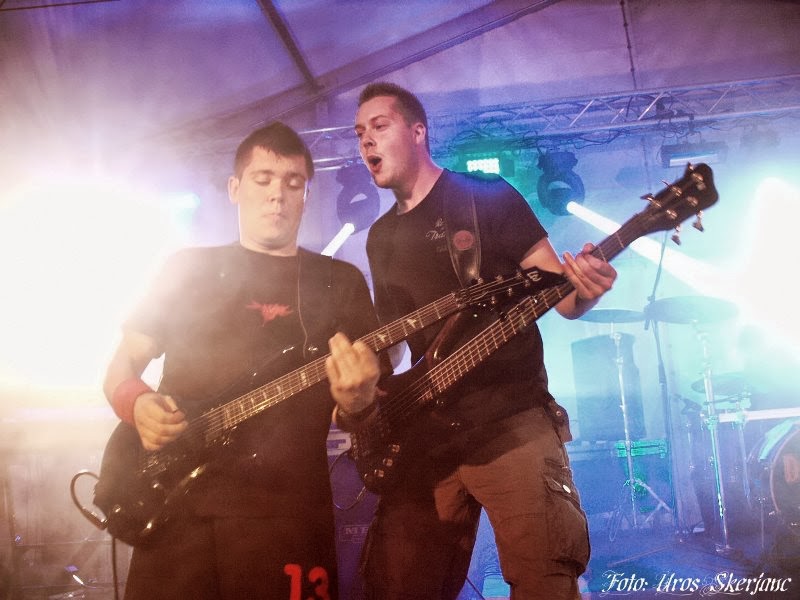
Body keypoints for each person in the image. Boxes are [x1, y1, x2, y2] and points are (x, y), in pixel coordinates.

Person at [336, 81, 619, 600]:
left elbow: (559, 295)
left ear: (418, 132)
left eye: (379, 126)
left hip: (511, 418)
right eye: (359, 133)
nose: (366, 141)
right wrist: (365, 384)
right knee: (398, 583)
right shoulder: (380, 237)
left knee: (544, 580)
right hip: (427, 432)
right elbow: (398, 345)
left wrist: (586, 289)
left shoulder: (484, 197)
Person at [101, 121, 382, 599]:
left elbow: (362, 410)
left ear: (306, 196)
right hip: (176, 509)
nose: (277, 195)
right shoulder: (187, 268)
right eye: (263, 179)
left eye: (293, 183)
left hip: (287, 512)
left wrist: (359, 401)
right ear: (235, 188)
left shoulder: (339, 281)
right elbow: (119, 369)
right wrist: (139, 404)